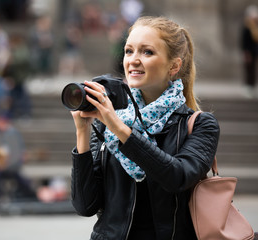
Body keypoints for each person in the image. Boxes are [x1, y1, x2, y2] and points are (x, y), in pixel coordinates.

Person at [69, 16, 220, 240]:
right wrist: (83, 132)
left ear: (174, 65)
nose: (133, 60)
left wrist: (118, 126)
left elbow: (176, 177)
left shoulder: (200, 125)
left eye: (147, 52)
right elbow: (85, 205)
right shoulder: (108, 123)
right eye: (129, 51)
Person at [241, 5, 258, 98]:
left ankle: (253, 86)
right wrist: (246, 52)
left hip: (255, 52)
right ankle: (248, 87)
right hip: (249, 52)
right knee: (249, 69)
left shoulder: (255, 27)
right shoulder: (247, 27)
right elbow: (244, 41)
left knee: (253, 70)